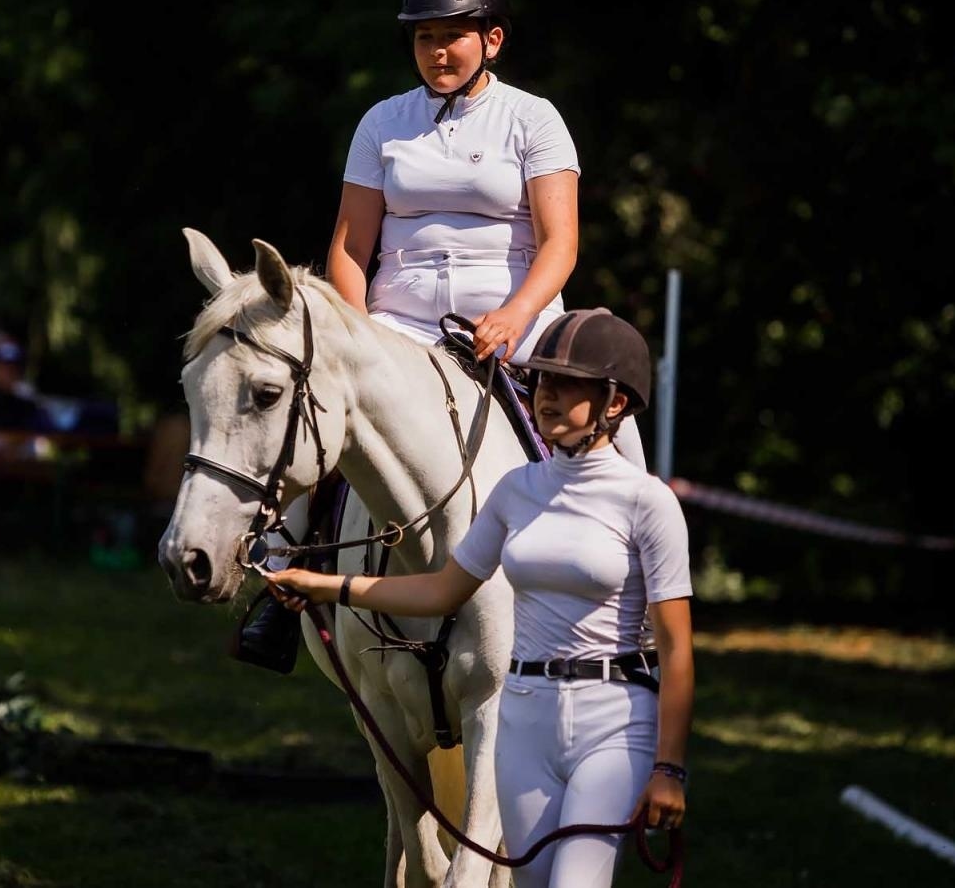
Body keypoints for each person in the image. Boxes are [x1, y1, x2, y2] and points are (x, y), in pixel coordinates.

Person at [236, 0, 644, 668]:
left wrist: (517, 314)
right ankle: (279, 589)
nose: (439, 51)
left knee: (616, 414)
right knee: (319, 408)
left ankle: (635, 598)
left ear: (493, 40)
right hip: (400, 321)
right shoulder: (382, 122)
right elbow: (349, 244)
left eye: (454, 36)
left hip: (516, 307)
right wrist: (355, 333)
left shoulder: (533, 119)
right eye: (426, 38)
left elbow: (561, 243)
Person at [266, 310, 694, 888]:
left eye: (567, 386)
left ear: (614, 404)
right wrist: (323, 585)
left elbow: (676, 647)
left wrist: (668, 767)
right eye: (543, 380)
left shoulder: (651, 505)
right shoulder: (515, 491)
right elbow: (443, 588)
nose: (546, 395)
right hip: (525, 718)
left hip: (610, 716)